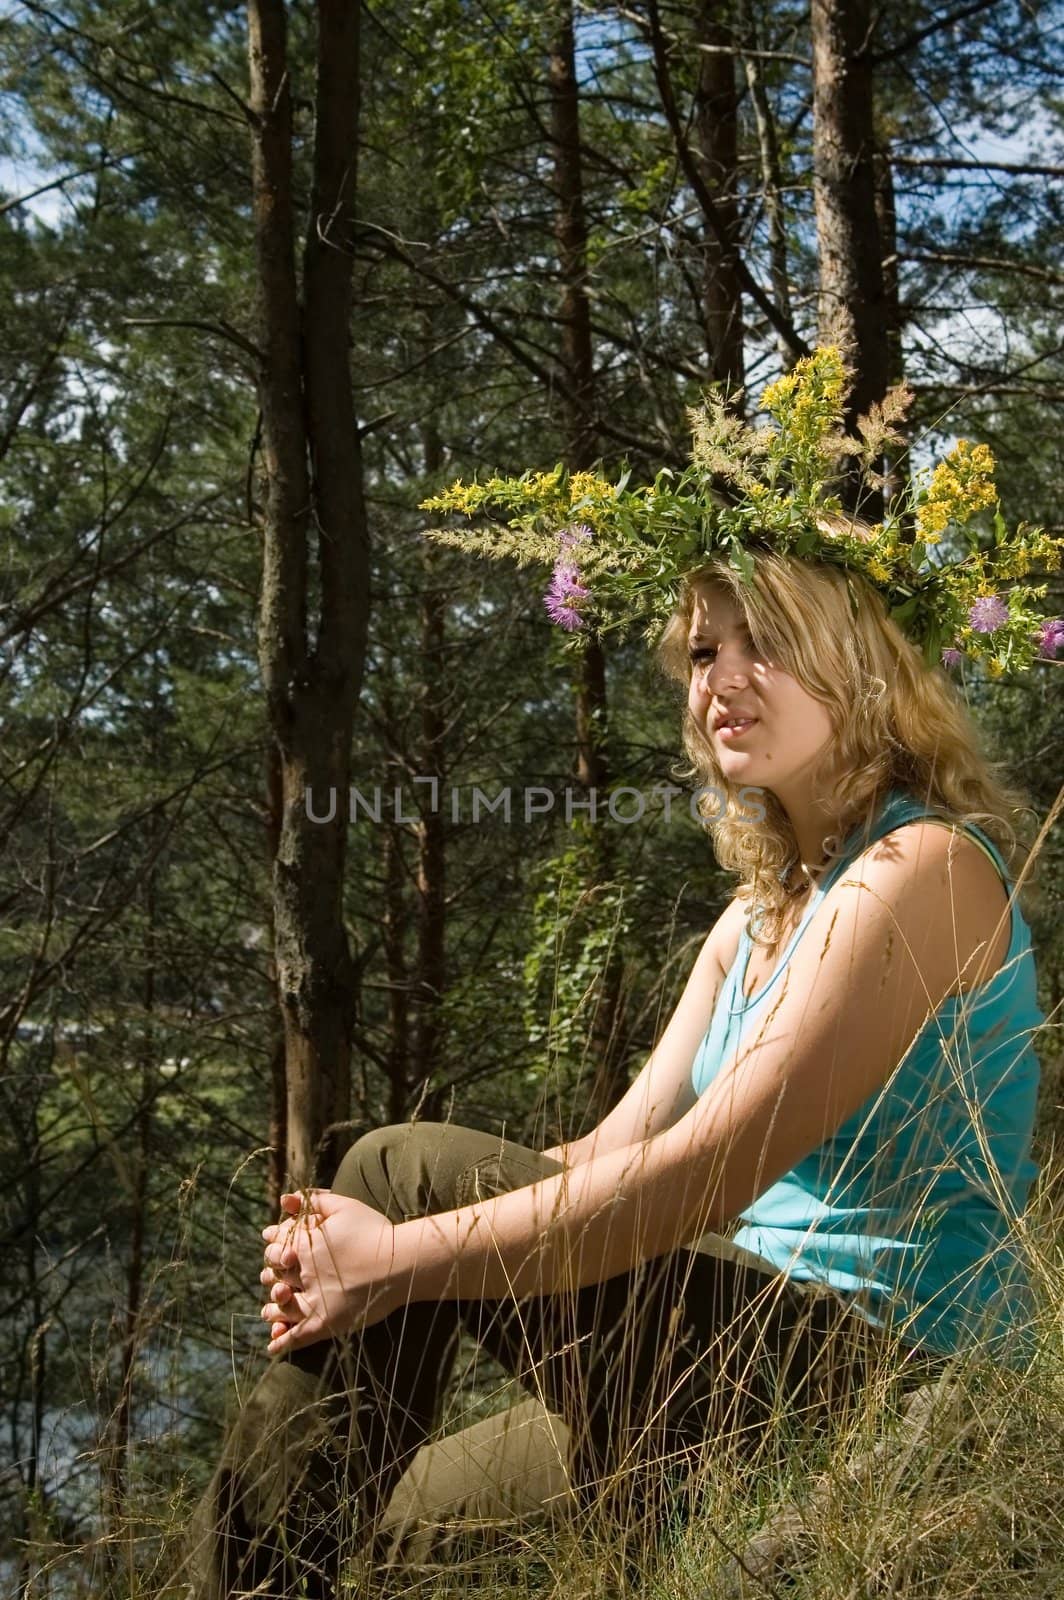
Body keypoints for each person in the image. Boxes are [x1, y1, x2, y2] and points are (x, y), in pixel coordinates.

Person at [184, 353, 1059, 1597]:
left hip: (874, 1367)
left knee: (393, 1164)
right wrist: (371, 1260)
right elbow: (602, 1153)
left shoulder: (919, 868)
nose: (721, 678)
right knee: (368, 1529)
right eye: (703, 651)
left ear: (862, 667)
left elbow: (709, 1169)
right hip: (712, 1357)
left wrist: (402, 1250)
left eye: (767, 643)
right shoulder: (754, 915)